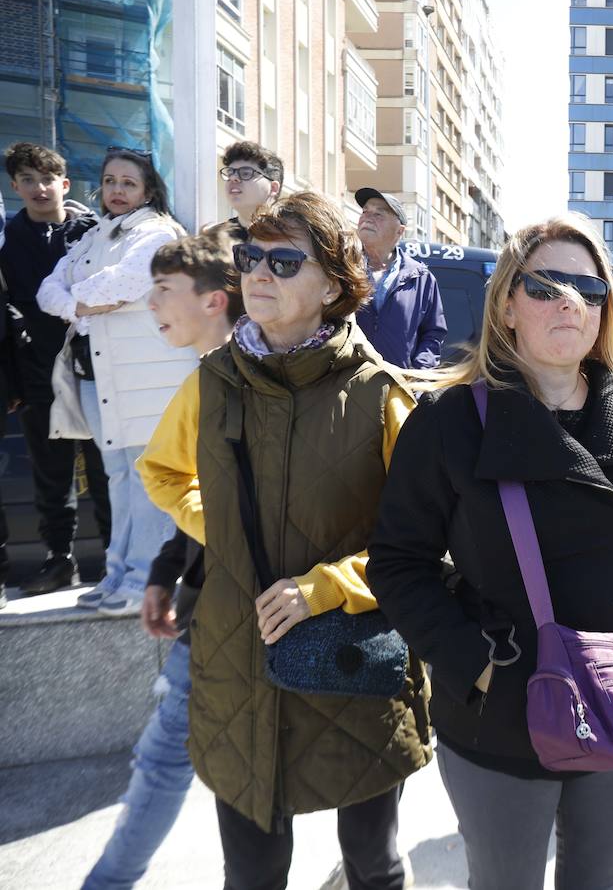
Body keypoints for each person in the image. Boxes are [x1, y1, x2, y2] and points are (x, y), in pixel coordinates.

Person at [366, 213, 613, 889]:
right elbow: (399, 562)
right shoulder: (450, 422)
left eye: (589, 288)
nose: (569, 302)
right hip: (504, 716)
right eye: (546, 284)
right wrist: (477, 662)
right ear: (507, 305)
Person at [137, 192, 431, 889]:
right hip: (239, 660)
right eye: (250, 257)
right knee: (253, 873)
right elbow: (164, 470)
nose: (259, 273)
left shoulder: (381, 393)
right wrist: (227, 528)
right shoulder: (211, 383)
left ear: (333, 283)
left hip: (356, 666)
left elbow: (422, 540)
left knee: (374, 863)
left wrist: (322, 587)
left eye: (284, 259)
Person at [81, 231, 240, 890]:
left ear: (214, 300)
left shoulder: (237, 378)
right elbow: (207, 493)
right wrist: (163, 573)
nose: (151, 305)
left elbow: (228, 506)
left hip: (236, 608)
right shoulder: (211, 374)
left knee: (166, 758)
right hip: (211, 598)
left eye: (164, 291)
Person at [37, 147, 195, 616]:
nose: (117, 190)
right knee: (118, 480)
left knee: (149, 485)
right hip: (104, 377)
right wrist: (79, 304)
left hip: (151, 380)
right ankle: (117, 574)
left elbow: (119, 286)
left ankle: (143, 583)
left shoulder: (158, 232)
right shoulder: (94, 236)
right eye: (110, 181)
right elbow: (49, 290)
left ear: (147, 189)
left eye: (128, 182)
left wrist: (81, 299)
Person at [0, 142, 108, 598]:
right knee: (51, 475)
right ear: (15, 187)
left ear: (64, 184)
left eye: (47, 179)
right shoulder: (8, 238)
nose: (39, 188)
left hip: (97, 369)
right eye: (28, 180)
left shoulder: (93, 232)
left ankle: (116, 559)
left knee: (109, 471)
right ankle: (60, 561)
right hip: (38, 372)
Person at [353, 187, 448, 369]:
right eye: (365, 211)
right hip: (346, 389)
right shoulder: (343, 267)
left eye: (379, 214)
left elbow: (433, 334)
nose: (368, 217)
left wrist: (417, 379)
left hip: (398, 388)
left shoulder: (421, 278)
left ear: (400, 231)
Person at [207, 140, 282, 239]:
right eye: (230, 173)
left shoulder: (295, 235)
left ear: (273, 188)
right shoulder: (215, 238)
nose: (233, 178)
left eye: (246, 173)